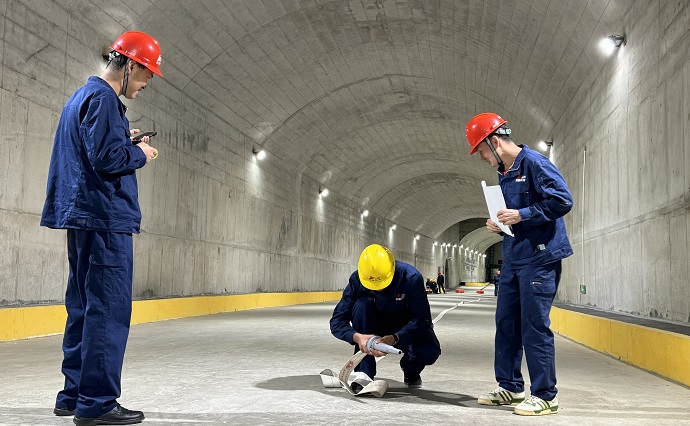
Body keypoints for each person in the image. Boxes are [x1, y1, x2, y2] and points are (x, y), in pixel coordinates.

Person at [41, 31, 163, 426]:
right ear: (130, 65)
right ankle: (97, 404)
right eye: (146, 74)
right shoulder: (105, 99)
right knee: (108, 311)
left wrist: (124, 140)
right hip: (105, 221)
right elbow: (108, 159)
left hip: (82, 218)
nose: (146, 83)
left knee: (82, 307)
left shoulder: (80, 97)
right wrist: (139, 153)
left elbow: (91, 151)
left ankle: (73, 396)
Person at [465, 112, 573, 416]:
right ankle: (511, 387)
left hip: (539, 258)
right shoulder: (505, 172)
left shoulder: (535, 163)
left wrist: (522, 215)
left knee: (533, 327)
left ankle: (545, 395)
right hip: (514, 258)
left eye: (481, 150)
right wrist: (499, 224)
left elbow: (562, 200)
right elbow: (513, 216)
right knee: (506, 325)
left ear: (495, 141)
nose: (481, 157)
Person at [330, 244, 441, 389]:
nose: (378, 289)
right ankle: (364, 374)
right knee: (361, 305)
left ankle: (410, 370)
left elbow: (422, 320)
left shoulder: (411, 278)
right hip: (372, 329)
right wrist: (358, 337)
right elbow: (337, 321)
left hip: (404, 328)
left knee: (429, 351)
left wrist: (396, 337)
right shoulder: (357, 280)